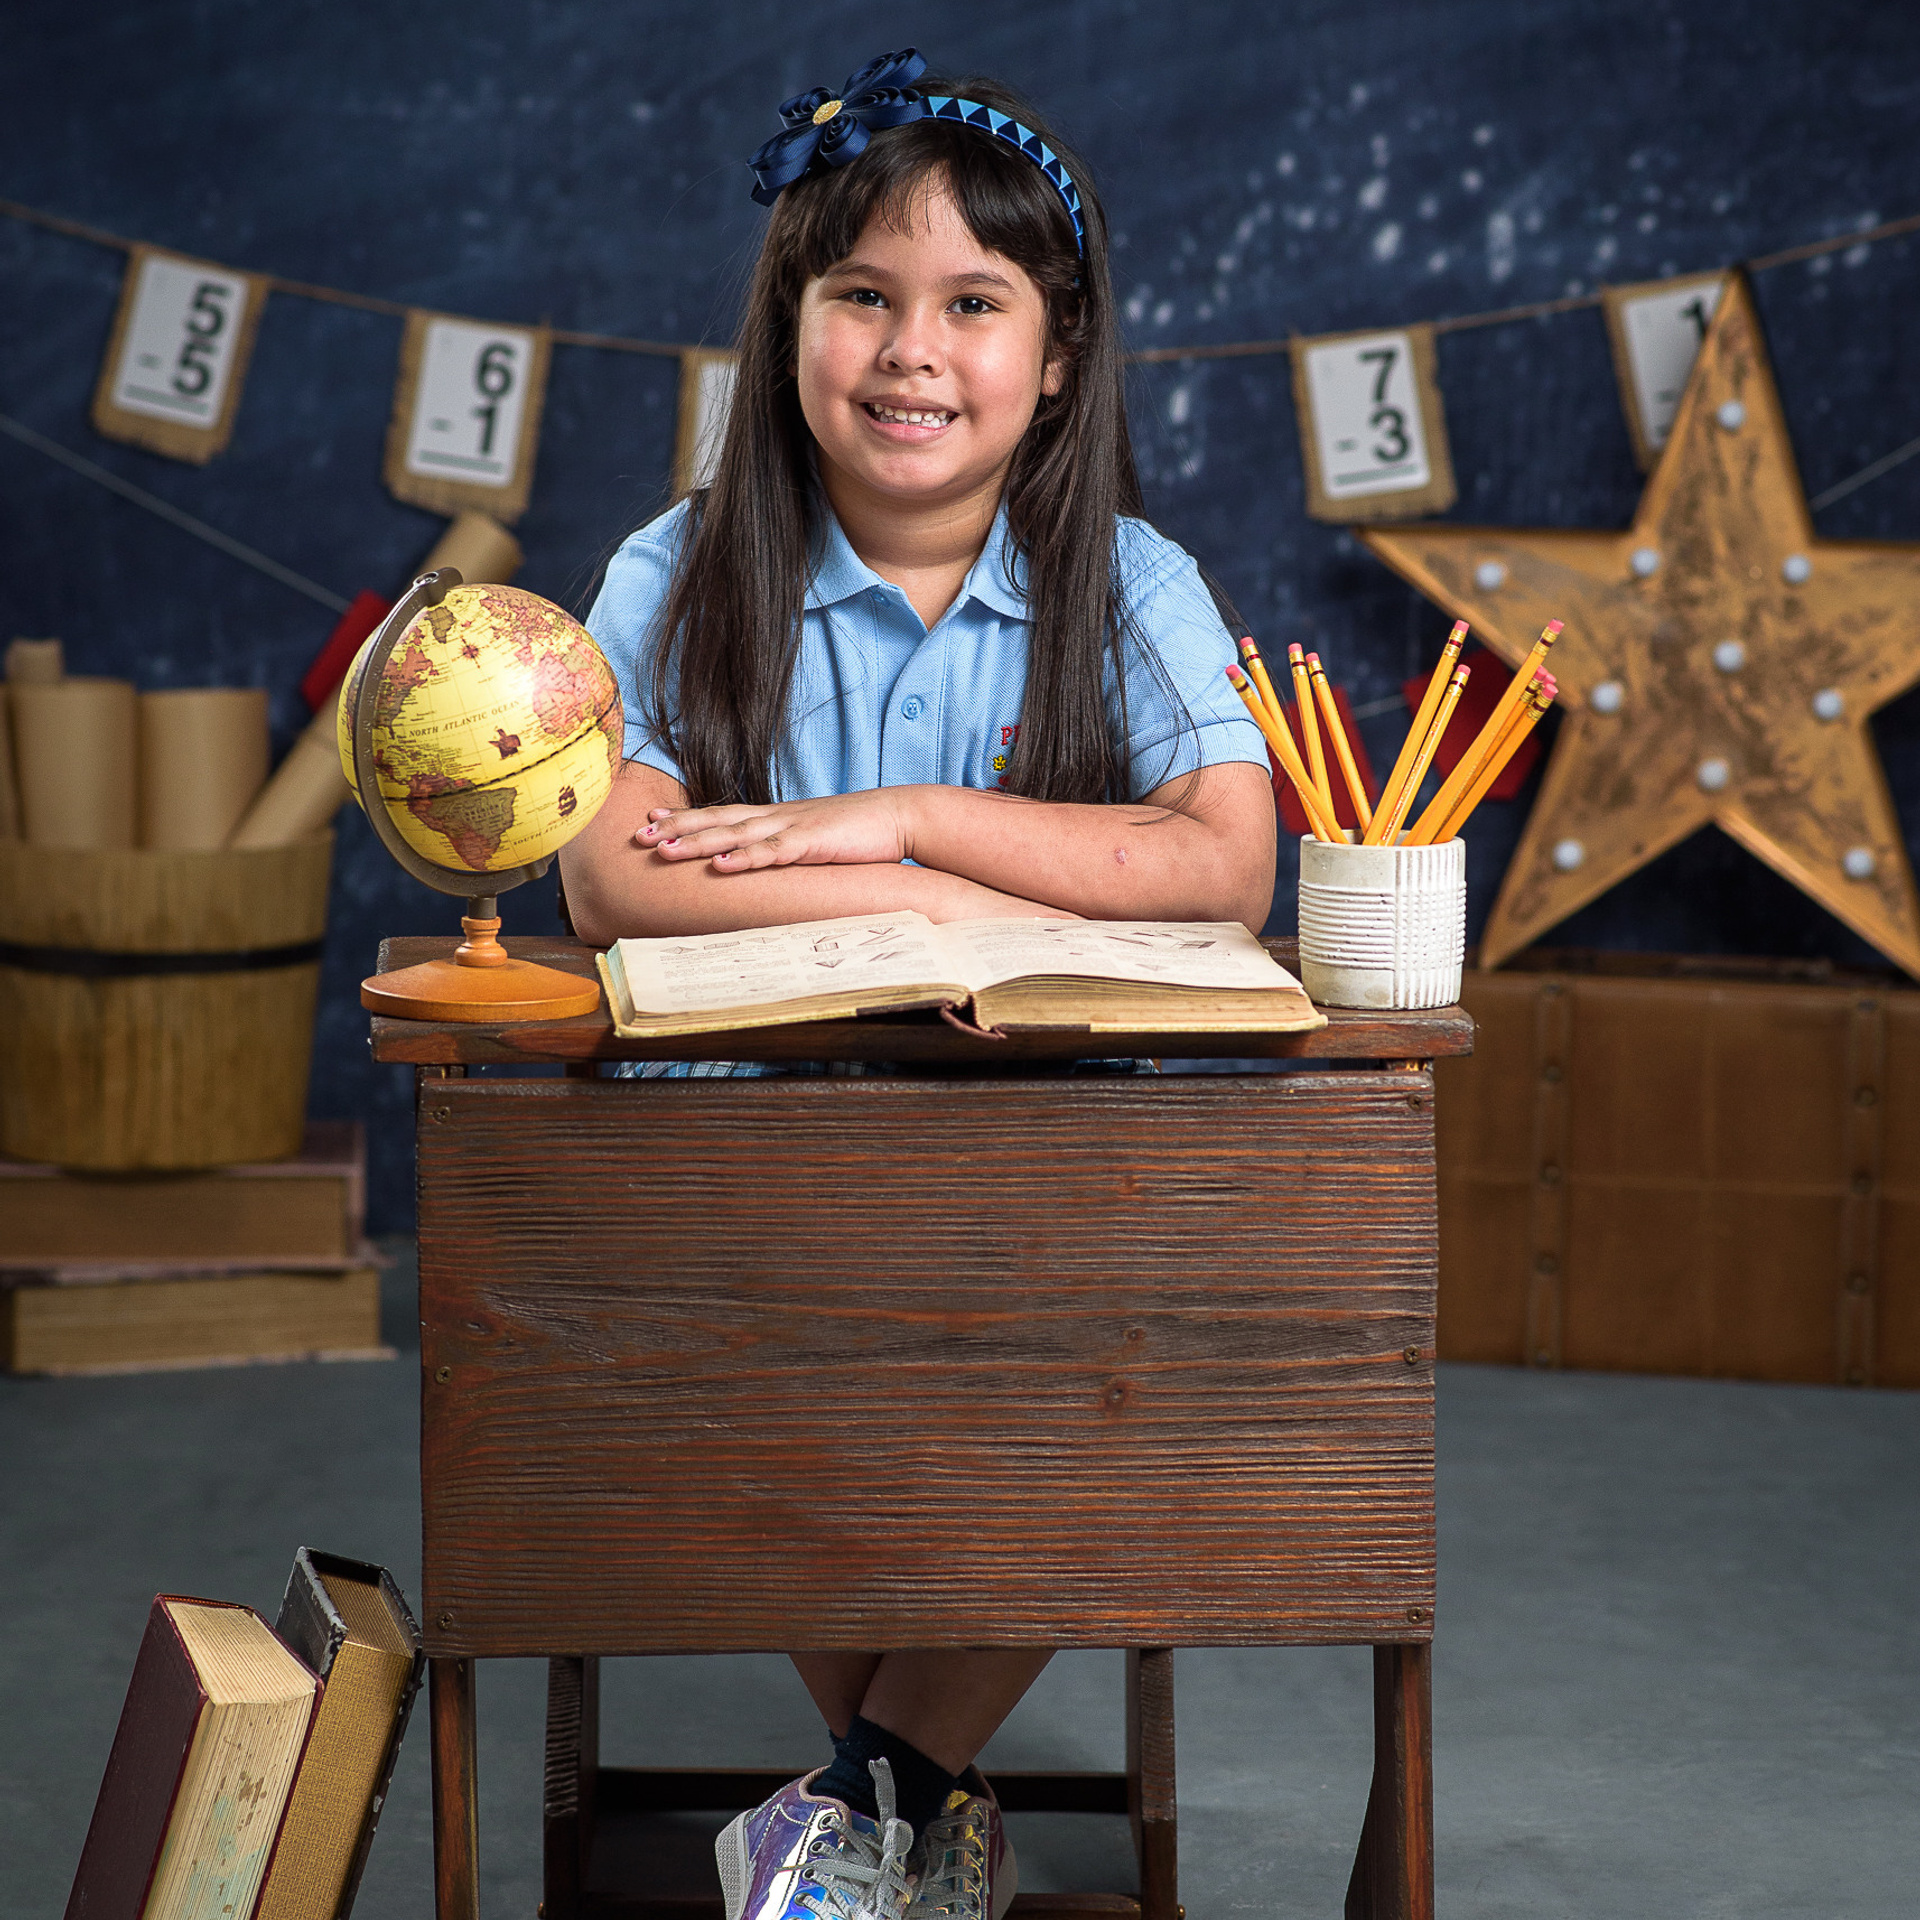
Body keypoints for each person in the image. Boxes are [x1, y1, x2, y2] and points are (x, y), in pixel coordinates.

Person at [561, 49, 1275, 1920]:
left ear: (1056, 355)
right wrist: (941, 898)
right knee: (750, 1356)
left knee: (1115, 1371)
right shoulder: (676, 566)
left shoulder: (1126, 580)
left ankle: (858, 1808)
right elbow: (606, 867)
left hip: (1047, 1172)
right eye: (860, 297)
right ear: (787, 325)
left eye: (974, 304)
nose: (911, 352)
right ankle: (908, 1816)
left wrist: (906, 822)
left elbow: (1223, 859)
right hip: (742, 1178)